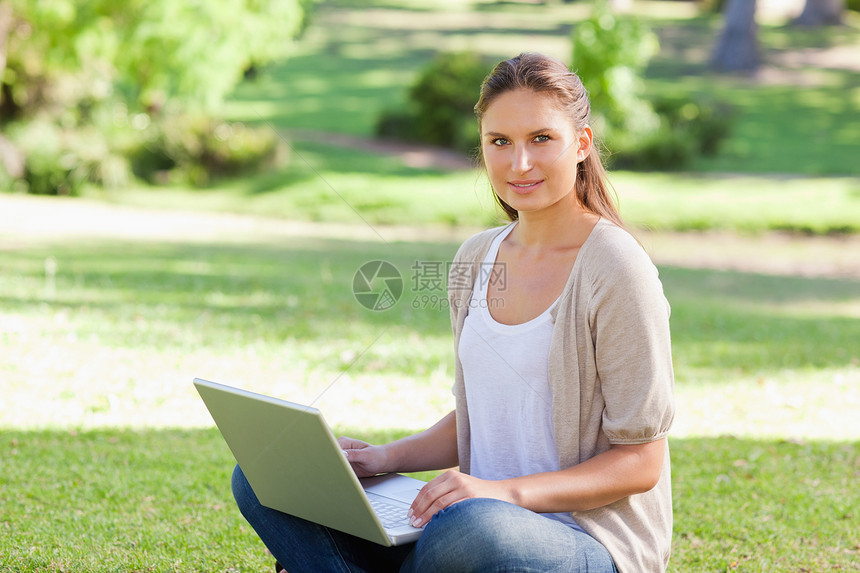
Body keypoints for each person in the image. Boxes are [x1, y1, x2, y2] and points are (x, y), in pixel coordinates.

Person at [232, 52, 675, 573]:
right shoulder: (476, 257)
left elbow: (641, 461)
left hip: (577, 540)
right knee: (269, 472)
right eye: (500, 142)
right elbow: (482, 414)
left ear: (581, 144)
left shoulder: (616, 268)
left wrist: (502, 494)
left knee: (470, 529)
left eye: (541, 139)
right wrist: (384, 458)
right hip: (466, 524)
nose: (520, 163)